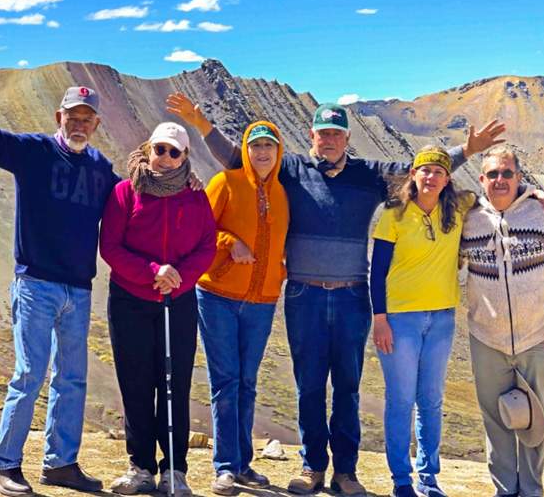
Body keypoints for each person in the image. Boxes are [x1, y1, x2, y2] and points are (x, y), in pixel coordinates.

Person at [167, 94, 511, 496]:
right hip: (303, 295)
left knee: (347, 385)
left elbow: (422, 172)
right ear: (311, 135)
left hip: (351, 296)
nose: (329, 140)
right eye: (323, 133)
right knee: (309, 385)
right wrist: (202, 124)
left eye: (337, 134)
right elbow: (237, 159)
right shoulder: (289, 168)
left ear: (347, 138)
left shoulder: (370, 175)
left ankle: (346, 471)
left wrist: (467, 150)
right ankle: (312, 467)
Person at [0, 53, 115, 497]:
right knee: (30, 374)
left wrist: (183, 181)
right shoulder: (35, 151)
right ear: (60, 117)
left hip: (79, 289)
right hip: (36, 283)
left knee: (72, 377)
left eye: (87, 118)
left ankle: (61, 464)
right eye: (72, 117)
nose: (79, 124)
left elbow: (133, 196)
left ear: (95, 124)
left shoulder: (101, 169)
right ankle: (5, 465)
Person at [100, 122, 218, 497]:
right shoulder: (125, 191)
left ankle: (174, 471)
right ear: (148, 148)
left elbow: (207, 246)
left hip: (178, 302)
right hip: (130, 301)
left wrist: (178, 277)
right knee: (135, 385)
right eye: (160, 149)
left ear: (185, 156)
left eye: (174, 152)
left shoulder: (195, 197)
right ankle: (140, 468)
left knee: (174, 386)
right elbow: (111, 247)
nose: (165, 158)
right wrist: (153, 272)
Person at [460, 145, 544, 497]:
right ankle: (504, 491)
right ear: (481, 179)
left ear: (519, 178)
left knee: (535, 421)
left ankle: (531, 491)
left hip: (537, 337)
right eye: (492, 174)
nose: (500, 180)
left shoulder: (542, 214)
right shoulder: (468, 217)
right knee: (495, 420)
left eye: (507, 174)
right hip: (486, 338)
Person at [370, 146, 476, 497]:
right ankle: (401, 480)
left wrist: (533, 192)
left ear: (447, 180)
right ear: (413, 175)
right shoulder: (394, 215)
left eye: (438, 172)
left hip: (442, 319)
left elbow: (497, 198)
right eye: (424, 170)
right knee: (401, 400)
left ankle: (428, 480)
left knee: (431, 400)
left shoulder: (458, 208)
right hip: (400, 320)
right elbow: (377, 271)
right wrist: (379, 319)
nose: (431, 177)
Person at [197, 121, 291, 496]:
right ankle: (224, 467)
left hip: (262, 302)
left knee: (247, 383)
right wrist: (228, 240)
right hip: (217, 294)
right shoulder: (226, 182)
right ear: (247, 151)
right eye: (256, 146)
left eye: (270, 145)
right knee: (226, 381)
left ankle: (243, 464)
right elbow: (198, 227)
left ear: (279, 150)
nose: (263, 152)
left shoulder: (285, 193)